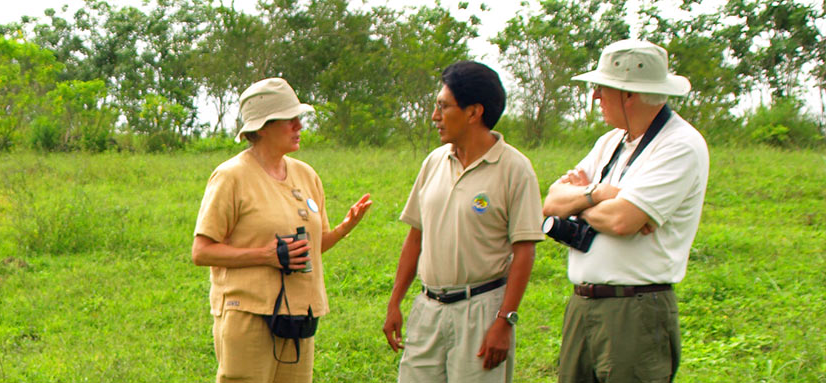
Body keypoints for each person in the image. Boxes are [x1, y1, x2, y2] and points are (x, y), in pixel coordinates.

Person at [543, 39, 708, 383]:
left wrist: (582, 202)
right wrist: (601, 194)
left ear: (629, 93)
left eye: (603, 89)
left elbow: (622, 220)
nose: (596, 97)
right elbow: (551, 202)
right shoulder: (610, 141)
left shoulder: (679, 145)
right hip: (583, 305)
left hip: (635, 309)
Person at [192, 77, 374, 383]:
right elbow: (202, 251)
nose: (298, 126)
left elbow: (311, 247)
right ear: (262, 127)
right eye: (289, 120)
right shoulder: (231, 176)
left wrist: (344, 228)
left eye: (298, 118)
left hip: (298, 313)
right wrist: (267, 255)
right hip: (248, 312)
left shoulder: (305, 175)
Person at [381, 60, 544, 383]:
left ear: (473, 112)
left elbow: (524, 251)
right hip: (428, 308)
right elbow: (416, 237)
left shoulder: (514, 169)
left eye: (443, 106)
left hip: (481, 311)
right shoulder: (434, 163)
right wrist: (395, 302)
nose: (435, 116)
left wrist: (504, 321)